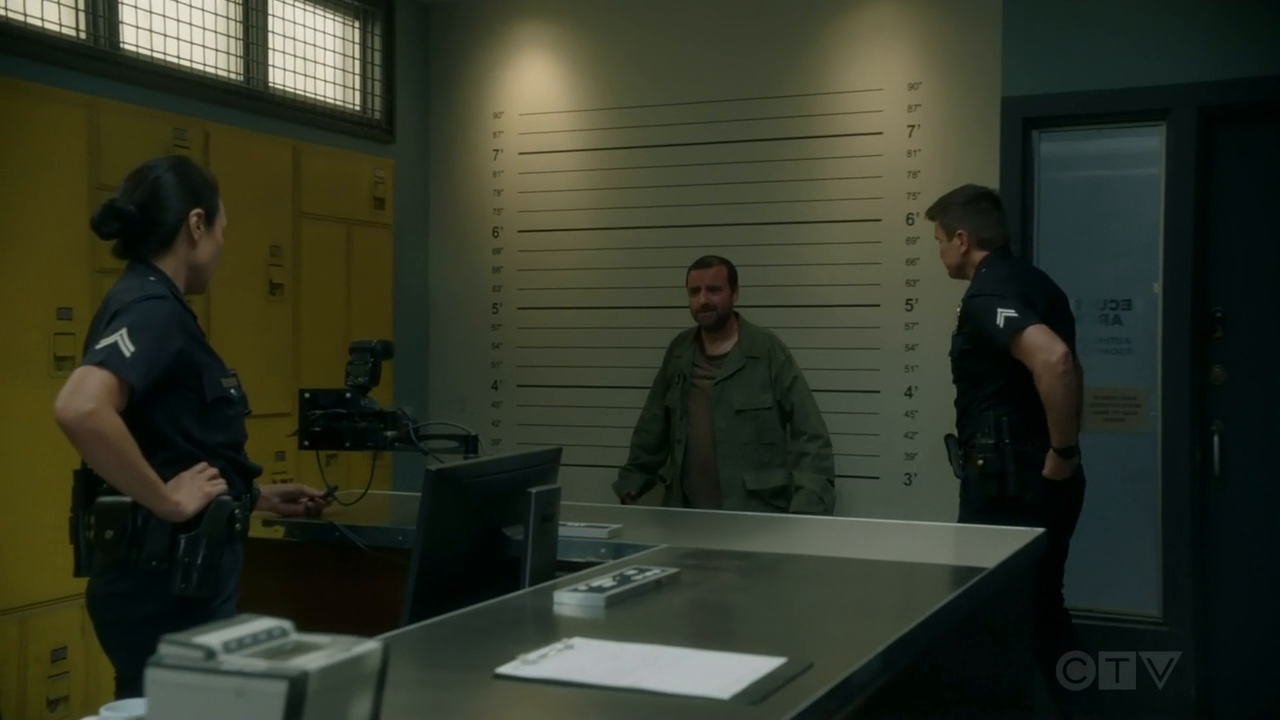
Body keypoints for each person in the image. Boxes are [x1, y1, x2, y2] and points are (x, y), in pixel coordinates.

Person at [52, 155, 330, 699]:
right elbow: (80, 407)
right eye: (223, 228)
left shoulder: (151, 302)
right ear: (196, 224)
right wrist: (166, 500)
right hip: (164, 589)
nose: (223, 245)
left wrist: (253, 496)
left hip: (172, 579)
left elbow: (171, 440)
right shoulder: (152, 307)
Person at [929, 184, 1092, 717]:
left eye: (939, 240)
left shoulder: (987, 295)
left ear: (961, 239)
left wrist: (1062, 450)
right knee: (1044, 613)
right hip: (1036, 476)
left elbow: (1055, 361)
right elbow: (1065, 367)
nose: (938, 252)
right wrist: (1063, 454)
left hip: (1009, 484)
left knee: (986, 620)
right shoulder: (1032, 281)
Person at [612, 255, 837, 514]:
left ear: (735, 293)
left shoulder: (766, 351)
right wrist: (633, 480)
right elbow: (652, 427)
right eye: (694, 292)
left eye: (714, 290)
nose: (703, 300)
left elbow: (811, 436)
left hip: (755, 514)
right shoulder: (679, 352)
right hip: (685, 515)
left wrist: (808, 507)